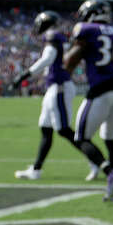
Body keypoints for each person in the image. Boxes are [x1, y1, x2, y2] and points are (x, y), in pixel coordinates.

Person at [65, 0, 113, 202]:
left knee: (81, 138)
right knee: (111, 141)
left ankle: (109, 172)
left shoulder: (86, 30)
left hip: (100, 91)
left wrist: (65, 71)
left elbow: (71, 60)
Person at [13, 11, 96, 181]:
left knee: (64, 130)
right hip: (54, 87)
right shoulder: (57, 36)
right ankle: (36, 169)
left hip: (59, 87)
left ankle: (95, 160)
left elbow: (47, 59)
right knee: (46, 128)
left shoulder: (52, 36)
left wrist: (24, 75)